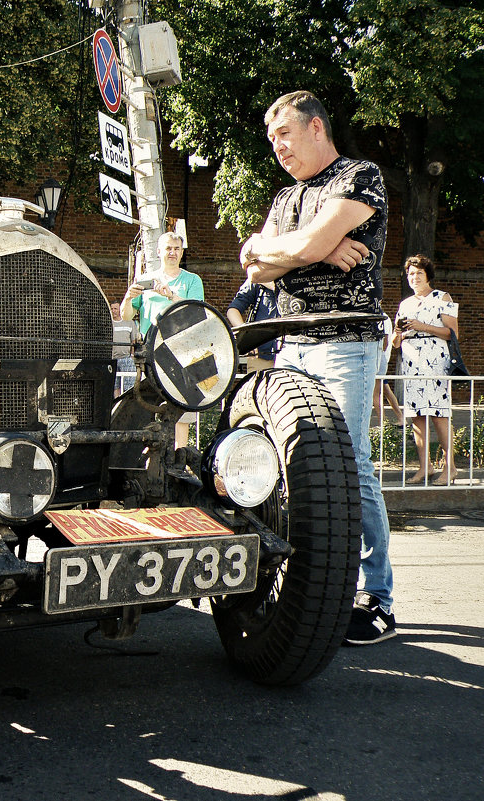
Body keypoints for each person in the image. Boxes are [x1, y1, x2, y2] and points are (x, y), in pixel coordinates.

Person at [238, 91, 395, 645]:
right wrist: (317, 249)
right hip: (288, 344)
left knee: (349, 465)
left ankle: (376, 597)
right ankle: (318, 586)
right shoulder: (284, 197)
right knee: (295, 468)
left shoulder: (359, 176)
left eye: (284, 133)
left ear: (316, 129)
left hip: (343, 341)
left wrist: (287, 249)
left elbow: (271, 253)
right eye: (271, 138)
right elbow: (251, 268)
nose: (277, 146)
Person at [121, 231, 204, 448]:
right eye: (168, 248)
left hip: (181, 350)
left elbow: (197, 313)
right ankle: (146, 458)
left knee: (180, 405)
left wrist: (171, 296)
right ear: (159, 252)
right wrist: (128, 297)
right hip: (151, 351)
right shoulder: (145, 280)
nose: (172, 253)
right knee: (147, 405)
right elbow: (126, 316)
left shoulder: (192, 280)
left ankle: (180, 454)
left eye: (176, 249)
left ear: (182, 252)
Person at [392, 254, 459, 485]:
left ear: (427, 275)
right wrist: (397, 335)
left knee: (439, 415)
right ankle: (424, 467)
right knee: (417, 417)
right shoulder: (405, 304)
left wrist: (423, 327)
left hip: (435, 362)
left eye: (418, 273)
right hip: (411, 363)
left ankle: (450, 468)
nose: (414, 277)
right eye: (410, 274)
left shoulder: (443, 297)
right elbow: (395, 342)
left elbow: (452, 334)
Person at [226, 278, 278, 371]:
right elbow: (233, 310)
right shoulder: (257, 280)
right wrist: (246, 336)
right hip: (261, 355)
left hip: (292, 352)